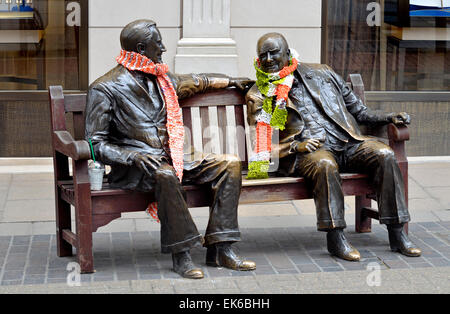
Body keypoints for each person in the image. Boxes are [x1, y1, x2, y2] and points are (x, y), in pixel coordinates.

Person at [85, 19, 255, 279]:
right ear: (141, 48)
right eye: (158, 42)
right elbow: (94, 143)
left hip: (176, 156)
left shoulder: (162, 78)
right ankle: (182, 254)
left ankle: (222, 248)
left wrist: (232, 81)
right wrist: (132, 156)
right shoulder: (105, 87)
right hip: (136, 166)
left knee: (230, 163)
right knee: (164, 174)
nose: (163, 47)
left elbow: (197, 81)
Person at [245, 32, 421, 262]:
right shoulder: (260, 93)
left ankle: (398, 234)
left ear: (288, 53)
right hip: (308, 153)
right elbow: (261, 143)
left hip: (347, 143)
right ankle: (335, 237)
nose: (268, 59)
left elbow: (359, 111)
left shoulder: (323, 73)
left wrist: (387, 117)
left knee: (384, 154)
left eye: (273, 52)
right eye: (263, 55)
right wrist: (296, 146)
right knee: (325, 164)